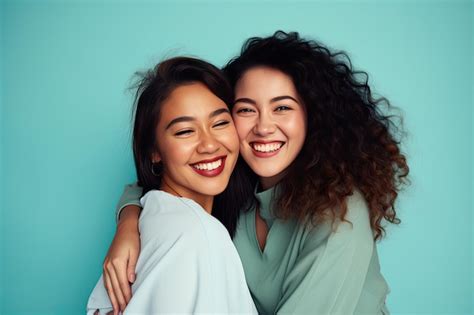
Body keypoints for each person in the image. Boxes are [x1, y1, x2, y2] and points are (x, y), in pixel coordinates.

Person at [104, 31, 409, 315]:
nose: (263, 127)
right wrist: (128, 222)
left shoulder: (339, 213)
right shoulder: (229, 186)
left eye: (282, 108)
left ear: (312, 117)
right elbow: (155, 182)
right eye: (246, 109)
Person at [87, 57, 257, 314]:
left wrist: (127, 216)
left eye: (220, 123)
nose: (209, 145)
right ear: (154, 151)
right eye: (185, 131)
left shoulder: (152, 213)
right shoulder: (198, 233)